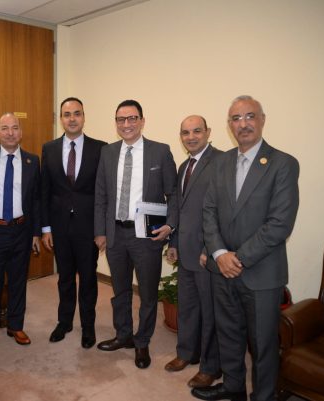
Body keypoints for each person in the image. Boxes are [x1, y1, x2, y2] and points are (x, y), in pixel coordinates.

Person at [193, 96, 300, 401]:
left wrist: (236, 259)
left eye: (250, 116)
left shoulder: (283, 164)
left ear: (262, 120)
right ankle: (233, 387)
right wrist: (218, 254)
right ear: (229, 126)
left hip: (261, 273)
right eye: (236, 118)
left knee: (263, 344)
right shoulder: (220, 162)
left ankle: (264, 396)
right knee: (228, 335)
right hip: (222, 269)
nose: (243, 124)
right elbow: (209, 211)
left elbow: (279, 224)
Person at [94, 100, 178, 369]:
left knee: (148, 293)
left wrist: (170, 225)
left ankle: (142, 342)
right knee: (120, 290)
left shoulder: (160, 151)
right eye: (121, 119)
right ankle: (123, 335)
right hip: (115, 233)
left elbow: (173, 194)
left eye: (132, 118)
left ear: (142, 121)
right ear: (116, 123)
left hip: (146, 236)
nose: (126, 124)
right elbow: (101, 195)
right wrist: (100, 231)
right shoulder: (108, 152)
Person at [41, 97, 106, 348]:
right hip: (59, 226)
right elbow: (45, 191)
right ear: (61, 119)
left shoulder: (100, 148)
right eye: (67, 114)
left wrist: (101, 229)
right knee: (65, 277)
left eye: (77, 113)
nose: (72, 118)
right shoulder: (49, 148)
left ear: (84, 117)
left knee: (88, 278)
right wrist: (46, 228)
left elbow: (104, 193)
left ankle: (88, 326)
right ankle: (64, 321)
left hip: (88, 227)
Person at [164, 115, 222, 388]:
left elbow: (224, 211)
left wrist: (211, 248)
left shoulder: (221, 162)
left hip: (207, 254)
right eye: (185, 133)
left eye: (197, 131)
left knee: (211, 313)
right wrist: (173, 243)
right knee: (187, 308)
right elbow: (179, 208)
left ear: (208, 132)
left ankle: (211, 367)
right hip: (185, 251)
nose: (191, 137)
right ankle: (187, 353)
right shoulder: (183, 166)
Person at [0, 113, 41, 353]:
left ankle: (16, 326)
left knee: (18, 282)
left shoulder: (32, 161)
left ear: (21, 133)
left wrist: (36, 233)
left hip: (21, 230)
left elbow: (36, 199)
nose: (10, 133)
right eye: (5, 128)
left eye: (15, 128)